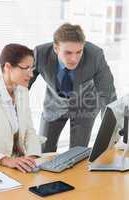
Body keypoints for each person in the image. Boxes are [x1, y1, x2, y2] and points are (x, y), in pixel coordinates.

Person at [29, 23, 117, 153]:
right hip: (53, 106)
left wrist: (111, 131)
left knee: (77, 154)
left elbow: (107, 94)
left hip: (85, 107)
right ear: (56, 48)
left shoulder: (95, 55)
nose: (74, 59)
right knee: (43, 151)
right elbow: (23, 83)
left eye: (78, 52)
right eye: (68, 53)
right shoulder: (40, 54)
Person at [0, 43, 46, 173]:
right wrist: (5, 160)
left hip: (18, 167)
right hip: (0, 167)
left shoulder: (22, 91)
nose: (31, 74)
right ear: (8, 67)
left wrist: (30, 158)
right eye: (26, 68)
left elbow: (29, 129)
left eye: (32, 68)